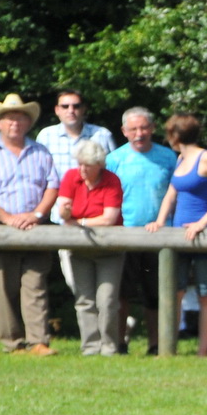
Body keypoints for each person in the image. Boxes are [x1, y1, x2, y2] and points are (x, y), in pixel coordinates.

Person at [149, 113, 207, 357]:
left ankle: (202, 351)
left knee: (206, 292)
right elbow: (171, 194)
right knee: (176, 290)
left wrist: (201, 223)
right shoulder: (180, 159)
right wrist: (160, 221)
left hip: (204, 236)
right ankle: (169, 346)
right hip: (178, 235)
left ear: (175, 135)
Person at [0, 94, 59, 354]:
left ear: (28, 123)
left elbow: (53, 186)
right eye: (9, 118)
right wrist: (7, 218)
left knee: (35, 284)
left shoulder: (41, 151)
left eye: (20, 117)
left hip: (35, 228)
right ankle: (13, 343)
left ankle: (38, 341)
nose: (15, 122)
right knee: (4, 287)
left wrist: (37, 214)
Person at [106, 107, 179, 352]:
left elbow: (176, 195)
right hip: (124, 234)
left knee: (156, 294)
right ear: (124, 131)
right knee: (121, 294)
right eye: (134, 129)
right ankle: (119, 342)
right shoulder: (114, 159)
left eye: (144, 127)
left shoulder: (168, 157)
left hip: (160, 235)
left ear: (153, 128)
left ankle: (157, 344)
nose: (140, 133)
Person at [36, 89, 115, 294]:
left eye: (76, 106)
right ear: (57, 110)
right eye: (65, 106)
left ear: (84, 109)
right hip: (62, 217)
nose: (71, 110)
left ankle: (107, 322)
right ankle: (95, 323)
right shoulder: (46, 135)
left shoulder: (102, 134)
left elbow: (113, 174)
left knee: (105, 282)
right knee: (76, 282)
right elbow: (40, 175)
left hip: (100, 217)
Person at [54, 139, 126, 355]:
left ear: (100, 165)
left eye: (88, 165)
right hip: (79, 250)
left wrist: (80, 222)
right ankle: (90, 347)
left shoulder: (112, 180)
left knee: (107, 300)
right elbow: (63, 213)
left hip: (109, 251)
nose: (83, 169)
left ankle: (110, 346)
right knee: (84, 300)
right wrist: (66, 212)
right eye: (80, 164)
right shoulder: (71, 177)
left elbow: (109, 218)